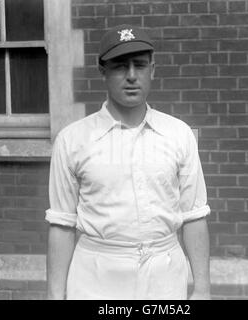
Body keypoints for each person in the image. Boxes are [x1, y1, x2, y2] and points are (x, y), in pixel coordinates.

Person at [45, 25, 211, 300]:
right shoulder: (72, 140)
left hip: (164, 275)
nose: (132, 76)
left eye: (140, 65)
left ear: (153, 70)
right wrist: (54, 295)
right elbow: (62, 224)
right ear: (103, 71)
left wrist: (203, 289)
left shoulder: (178, 134)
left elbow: (194, 216)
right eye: (120, 66)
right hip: (96, 278)